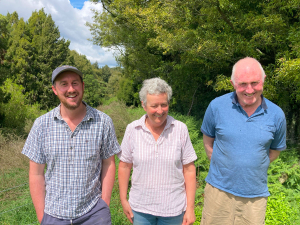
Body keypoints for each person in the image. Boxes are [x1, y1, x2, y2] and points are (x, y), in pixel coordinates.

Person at [22, 65, 120, 225]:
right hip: (53, 215)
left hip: (94, 215)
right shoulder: (41, 125)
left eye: (75, 83)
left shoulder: (103, 122)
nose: (71, 89)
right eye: (64, 84)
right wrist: (43, 217)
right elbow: (36, 174)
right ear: (55, 89)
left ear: (83, 86)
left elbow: (108, 164)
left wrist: (104, 204)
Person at [200, 57, 287, 224]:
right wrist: (225, 167)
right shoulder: (216, 106)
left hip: (254, 198)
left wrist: (251, 166)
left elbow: (274, 152)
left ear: (263, 80)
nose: (249, 89)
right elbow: (208, 142)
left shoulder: (277, 115)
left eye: (255, 83)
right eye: (242, 84)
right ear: (233, 83)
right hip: (218, 193)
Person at [118, 78, 197, 225]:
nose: (159, 111)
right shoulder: (133, 129)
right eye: (154, 106)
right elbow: (124, 166)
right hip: (140, 209)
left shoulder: (180, 129)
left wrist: (190, 208)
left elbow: (189, 170)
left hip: (173, 209)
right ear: (144, 105)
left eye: (164, 105)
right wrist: (123, 199)